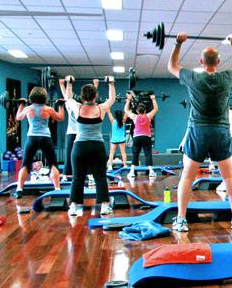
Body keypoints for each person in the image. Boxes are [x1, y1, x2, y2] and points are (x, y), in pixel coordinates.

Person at [168, 34, 232, 232]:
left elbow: (172, 66)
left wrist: (178, 43)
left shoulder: (193, 77)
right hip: (220, 131)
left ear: (200, 62)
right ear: (218, 62)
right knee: (229, 177)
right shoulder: (226, 77)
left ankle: (181, 219)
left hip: (198, 130)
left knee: (187, 176)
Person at [68, 78, 116, 216]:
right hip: (97, 146)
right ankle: (105, 206)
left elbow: (68, 97)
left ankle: (73, 206)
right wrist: (111, 83)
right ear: (96, 96)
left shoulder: (78, 108)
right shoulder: (101, 109)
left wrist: (69, 83)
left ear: (82, 96)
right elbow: (112, 98)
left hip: (79, 147)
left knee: (78, 177)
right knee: (100, 177)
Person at [12, 87, 64, 198]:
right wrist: (61, 106)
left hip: (32, 138)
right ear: (44, 97)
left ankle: (19, 189)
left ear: (31, 97)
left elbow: (18, 117)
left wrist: (21, 104)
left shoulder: (28, 108)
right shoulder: (48, 109)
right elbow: (60, 117)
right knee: (53, 164)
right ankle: (57, 189)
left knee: (25, 164)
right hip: (45, 138)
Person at [125, 94, 159, 177]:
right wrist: (153, 99)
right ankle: (151, 171)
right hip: (146, 137)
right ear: (145, 110)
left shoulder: (134, 117)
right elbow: (156, 109)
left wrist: (128, 100)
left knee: (135, 154)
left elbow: (126, 110)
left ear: (137, 111)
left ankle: (132, 172)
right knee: (148, 154)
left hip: (137, 137)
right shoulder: (148, 116)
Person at [59, 76, 80, 181]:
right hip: (79, 134)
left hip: (72, 134)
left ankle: (65, 176)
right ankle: (88, 175)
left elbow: (67, 97)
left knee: (69, 155)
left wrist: (62, 84)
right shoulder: (82, 107)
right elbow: (67, 97)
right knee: (79, 155)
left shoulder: (71, 106)